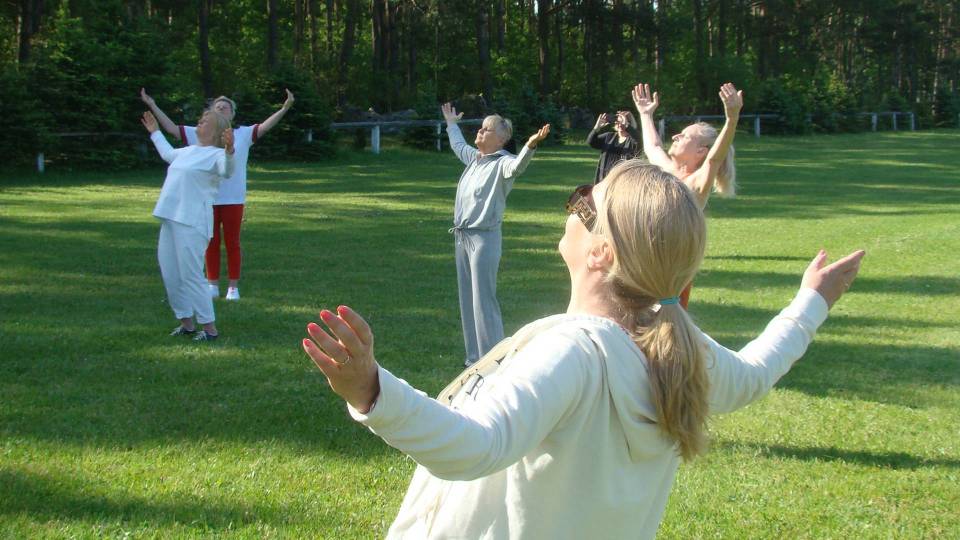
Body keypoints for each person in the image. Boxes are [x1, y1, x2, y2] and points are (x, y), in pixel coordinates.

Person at [300, 161, 865, 539]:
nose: (570, 209)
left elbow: (477, 446)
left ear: (599, 252)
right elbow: (758, 372)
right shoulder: (679, 341)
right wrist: (812, 301)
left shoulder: (574, 352)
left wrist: (371, 390)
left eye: (582, 203)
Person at [140, 88, 295, 301]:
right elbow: (172, 130)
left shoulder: (243, 134)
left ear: (232, 115)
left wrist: (284, 108)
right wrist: (152, 104)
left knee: (232, 242)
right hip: (206, 200)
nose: (222, 109)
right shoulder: (200, 132)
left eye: (226, 107)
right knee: (210, 242)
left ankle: (233, 287)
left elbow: (265, 126)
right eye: (218, 107)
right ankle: (212, 285)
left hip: (233, 199)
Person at [440, 102, 551, 366]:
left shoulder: (503, 163)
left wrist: (531, 145)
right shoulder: (475, 159)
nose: (479, 132)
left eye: (486, 129)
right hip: (462, 237)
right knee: (467, 299)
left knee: (483, 299)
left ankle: (494, 359)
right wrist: (452, 124)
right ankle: (473, 359)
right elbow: (458, 145)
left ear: (501, 139)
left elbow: (518, 168)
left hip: (484, 238)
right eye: (480, 128)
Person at [633, 81, 743, 307]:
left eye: (684, 136)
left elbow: (715, 159)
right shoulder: (668, 171)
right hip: (647, 260)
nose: (675, 137)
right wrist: (645, 114)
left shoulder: (696, 183)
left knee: (667, 329)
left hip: (673, 270)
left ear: (700, 151)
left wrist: (731, 120)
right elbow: (652, 147)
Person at [141, 109, 235, 341]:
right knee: (171, 274)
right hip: (171, 217)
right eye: (200, 119)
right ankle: (186, 323)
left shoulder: (216, 155)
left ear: (215, 132)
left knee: (191, 274)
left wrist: (230, 150)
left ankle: (210, 329)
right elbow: (167, 154)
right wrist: (155, 133)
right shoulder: (187, 152)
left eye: (205, 121)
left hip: (193, 221)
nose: (199, 123)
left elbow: (227, 170)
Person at [586, 110, 639, 184]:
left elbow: (638, 141)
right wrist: (596, 128)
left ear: (629, 124)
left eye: (622, 122)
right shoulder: (609, 136)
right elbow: (591, 142)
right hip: (604, 180)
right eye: (618, 122)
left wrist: (627, 125)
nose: (620, 124)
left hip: (624, 182)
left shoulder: (633, 140)